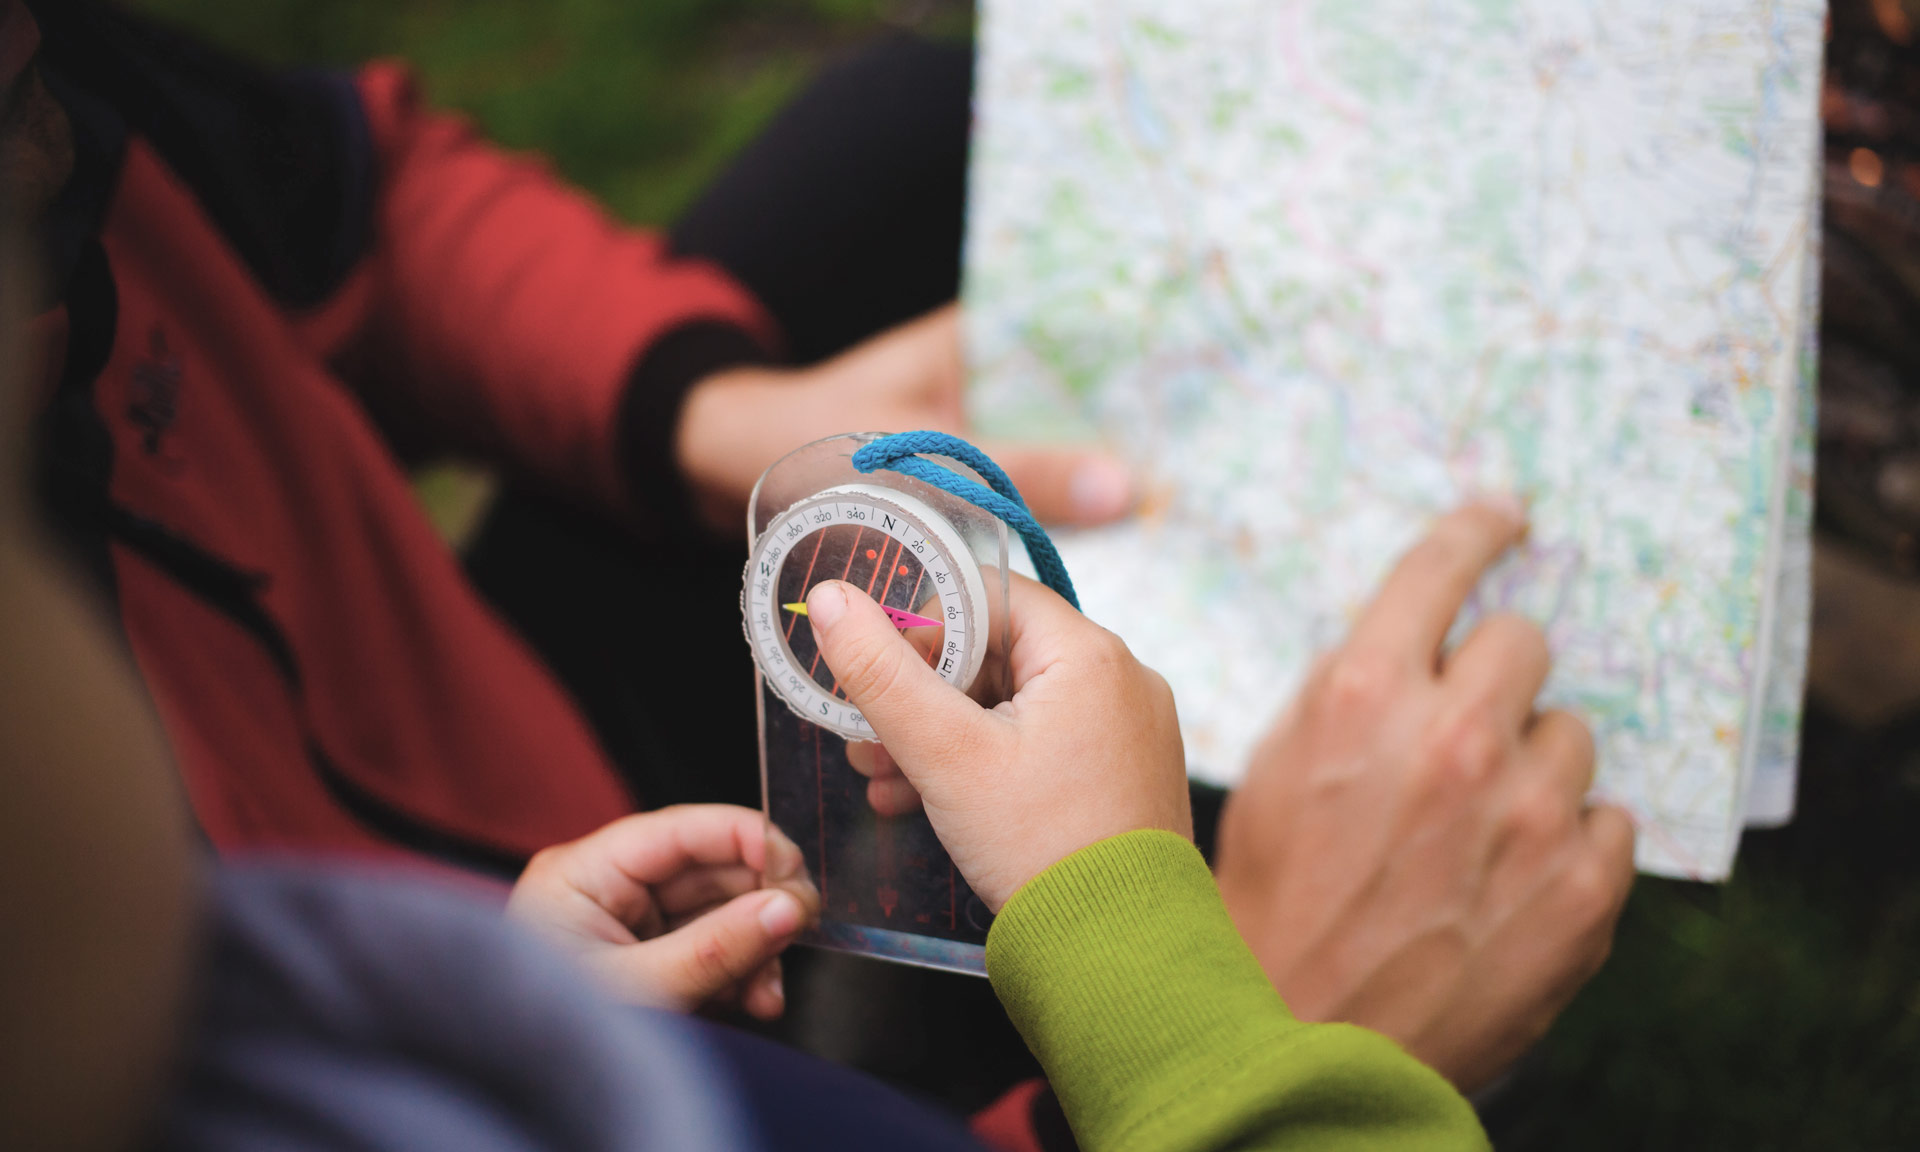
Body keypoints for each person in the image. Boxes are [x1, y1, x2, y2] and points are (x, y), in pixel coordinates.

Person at [2, 0, 1634, 1126]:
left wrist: (711, 412)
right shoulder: (103, 1005)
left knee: (902, 135)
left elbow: (363, 198)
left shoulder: (62, 115)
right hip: (623, 1066)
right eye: (2, 129)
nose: (56, 155)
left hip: (550, 855)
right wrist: (1242, 1030)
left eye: (36, 91)